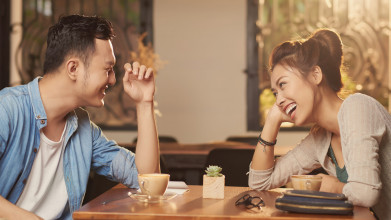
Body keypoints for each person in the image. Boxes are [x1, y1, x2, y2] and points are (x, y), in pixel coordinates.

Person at [0, 15, 160, 219]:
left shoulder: (84, 129)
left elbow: (147, 181)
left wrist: (145, 103)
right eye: (108, 69)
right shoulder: (7, 110)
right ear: (73, 68)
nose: (112, 80)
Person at [248, 28, 391, 220]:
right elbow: (259, 183)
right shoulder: (320, 139)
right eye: (275, 93)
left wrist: (333, 187)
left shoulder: (358, 107)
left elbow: (366, 192)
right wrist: (273, 120)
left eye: (282, 85)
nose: (279, 100)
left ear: (315, 75)